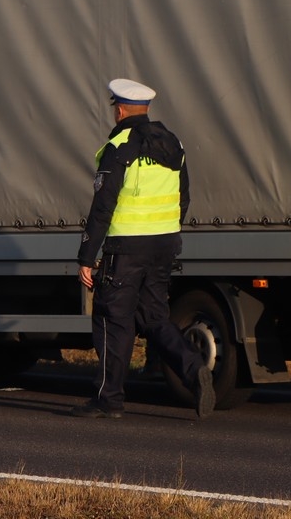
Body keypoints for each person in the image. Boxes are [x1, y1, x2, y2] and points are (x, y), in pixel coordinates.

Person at [73, 78, 215, 419]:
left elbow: (103, 205)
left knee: (113, 319)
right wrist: (166, 230)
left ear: (120, 110)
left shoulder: (120, 144)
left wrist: (86, 257)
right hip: (164, 244)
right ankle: (194, 369)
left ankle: (109, 400)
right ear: (145, 109)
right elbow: (184, 197)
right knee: (154, 317)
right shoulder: (173, 143)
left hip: (127, 247)